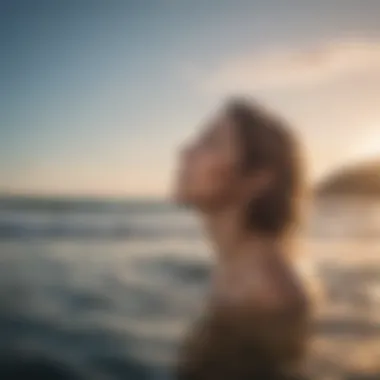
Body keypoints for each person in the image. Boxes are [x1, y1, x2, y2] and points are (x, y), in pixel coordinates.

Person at [173, 98, 310, 380]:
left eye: (210, 142)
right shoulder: (239, 271)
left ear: (257, 179)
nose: (184, 151)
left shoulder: (263, 291)